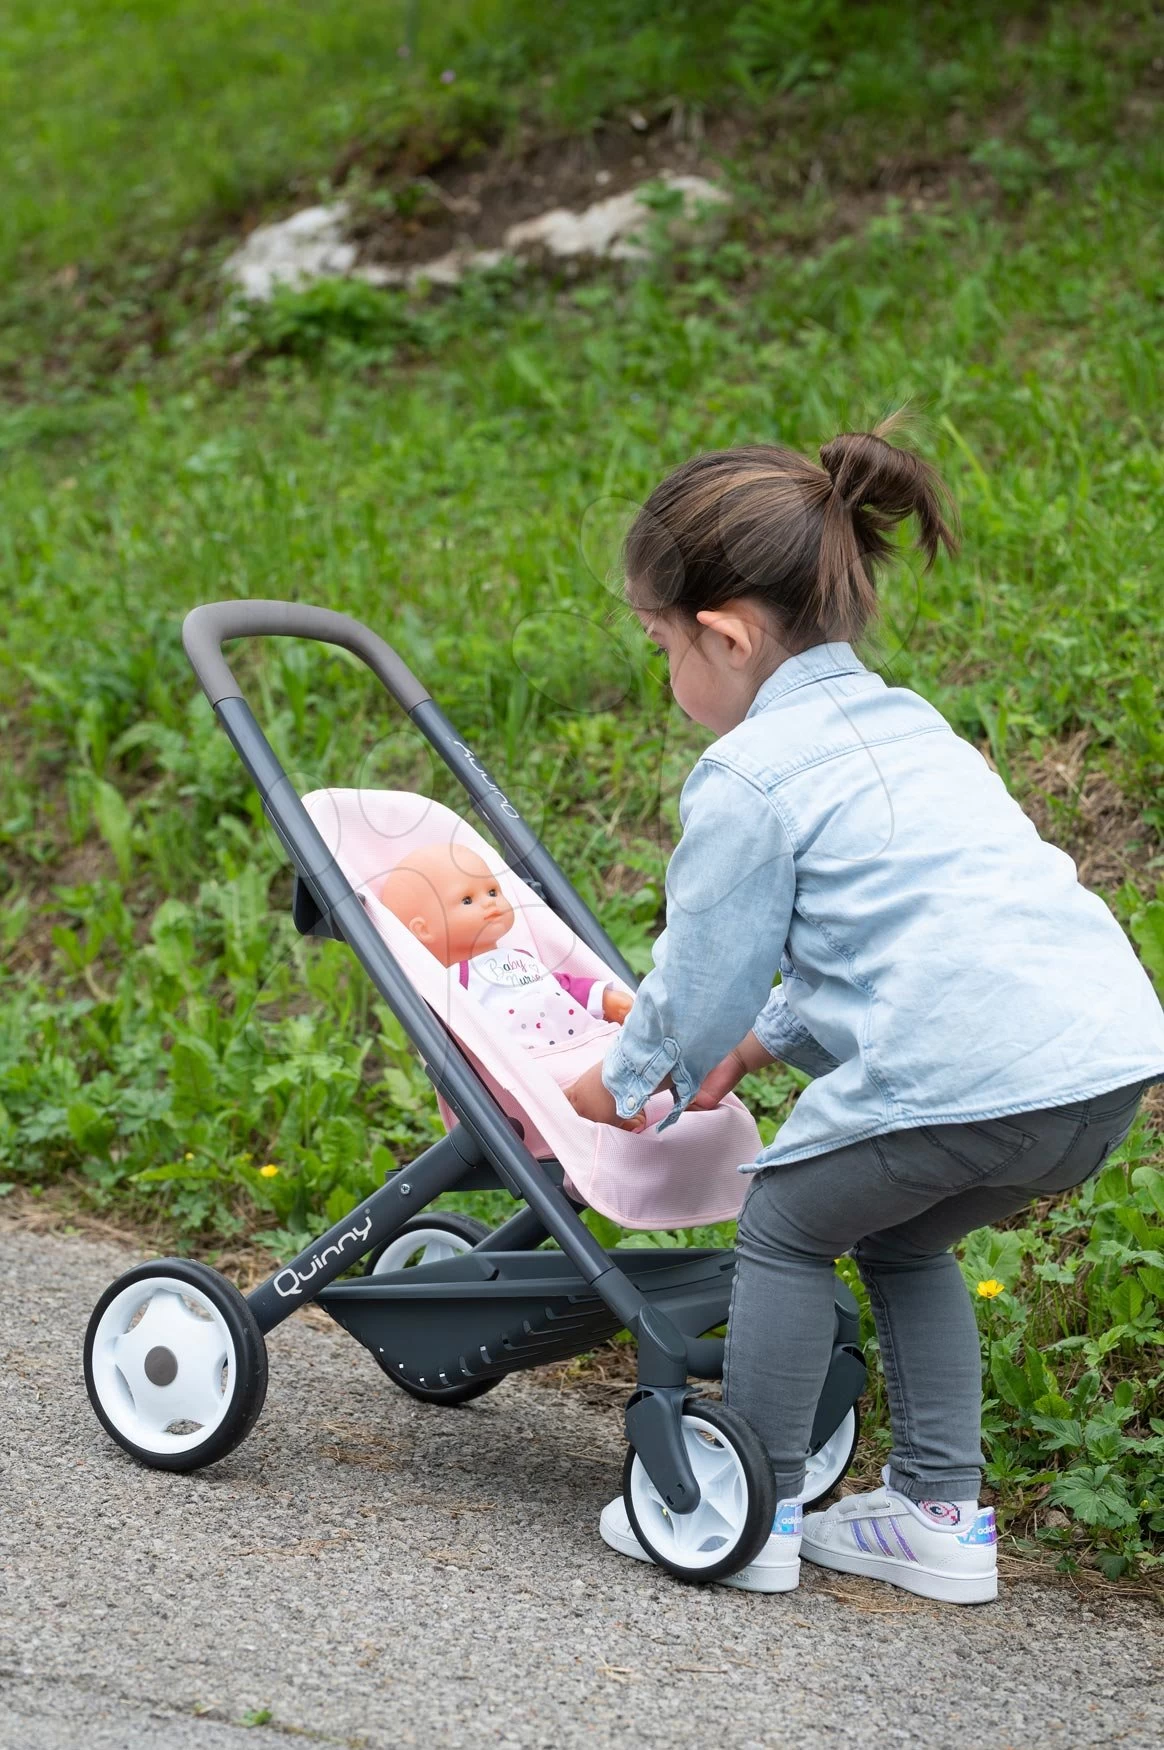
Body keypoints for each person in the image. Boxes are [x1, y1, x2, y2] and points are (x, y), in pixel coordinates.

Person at [564, 418, 1164, 1601]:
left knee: (786, 1223)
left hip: (970, 1069)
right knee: (903, 1234)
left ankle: (758, 1507)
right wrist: (764, 1040)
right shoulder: (909, 727)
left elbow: (703, 969)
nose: (664, 670)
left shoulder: (749, 776)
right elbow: (903, 936)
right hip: (1100, 1066)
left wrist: (632, 1075)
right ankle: (940, 1511)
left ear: (724, 635)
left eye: (659, 643)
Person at [376, 844, 635, 1052]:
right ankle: (598, 1103)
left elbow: (558, 986)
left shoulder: (520, 957)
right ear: (424, 930)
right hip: (535, 1067)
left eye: (492, 891)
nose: (491, 903)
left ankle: (616, 1101)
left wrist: (603, 999)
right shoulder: (452, 984)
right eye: (467, 900)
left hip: (592, 1041)